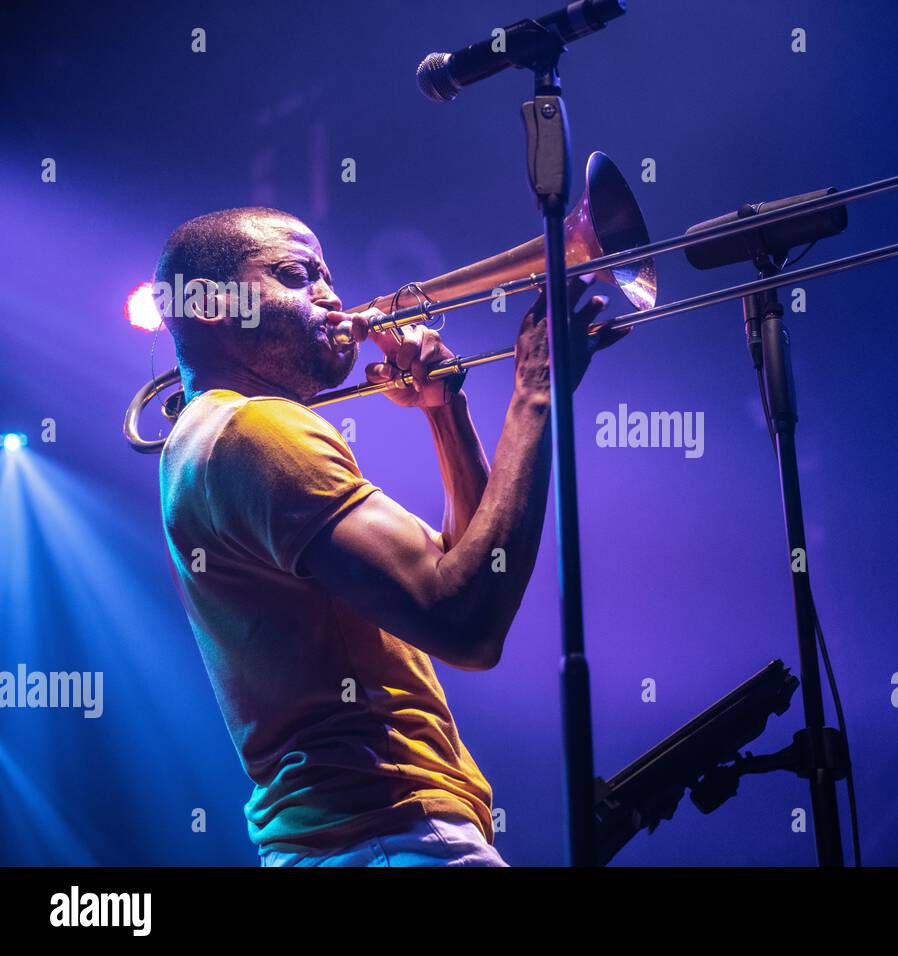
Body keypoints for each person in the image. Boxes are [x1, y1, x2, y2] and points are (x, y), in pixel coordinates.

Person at [153, 206, 624, 866]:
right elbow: (466, 624)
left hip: (366, 839)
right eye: (296, 274)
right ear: (205, 304)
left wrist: (445, 412)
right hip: (390, 833)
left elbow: (466, 566)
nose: (332, 295)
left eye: (326, 274)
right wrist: (535, 394)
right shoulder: (256, 431)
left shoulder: (218, 435)